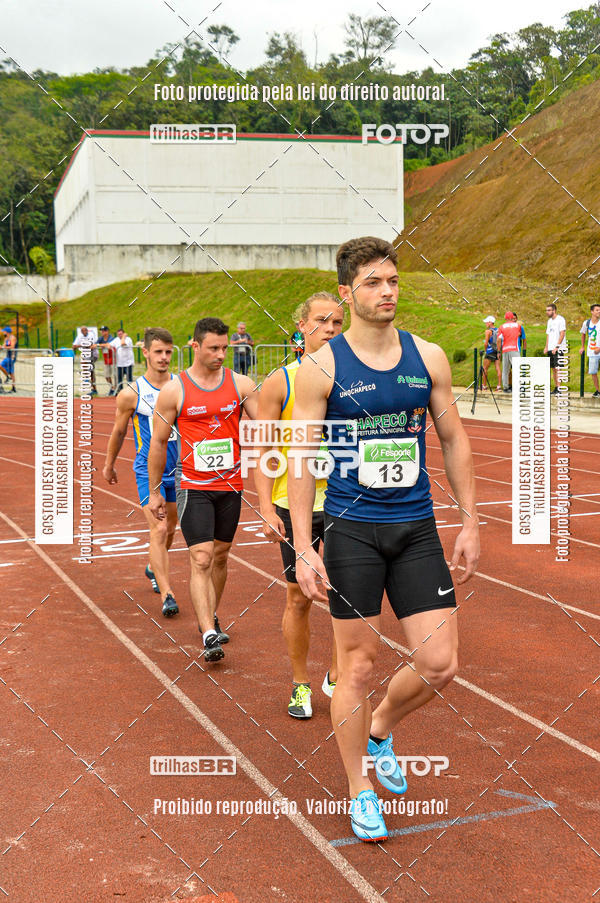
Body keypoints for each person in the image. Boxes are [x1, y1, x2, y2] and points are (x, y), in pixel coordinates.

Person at [288, 236, 479, 843]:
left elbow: (452, 440)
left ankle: (380, 728)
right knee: (357, 665)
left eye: (392, 280)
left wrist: (471, 519)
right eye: (372, 282)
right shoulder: (323, 368)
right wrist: (302, 545)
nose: (387, 291)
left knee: (440, 662)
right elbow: (301, 459)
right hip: (351, 533)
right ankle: (359, 788)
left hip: (417, 528)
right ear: (348, 292)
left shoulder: (428, 357)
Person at [148, 317, 259, 662]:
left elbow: (269, 426)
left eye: (225, 348)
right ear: (194, 346)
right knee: (201, 556)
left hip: (231, 484)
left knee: (222, 555)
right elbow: (158, 443)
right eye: (213, 348)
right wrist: (154, 491)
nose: (221, 354)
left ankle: (210, 615)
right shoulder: (175, 391)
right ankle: (209, 633)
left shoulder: (241, 385)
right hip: (193, 484)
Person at [255, 292, 344, 718]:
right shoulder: (281, 381)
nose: (330, 329)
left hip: (347, 498)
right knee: (298, 596)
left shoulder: (354, 377)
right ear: (302, 326)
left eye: (338, 323)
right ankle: (300, 684)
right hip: (295, 502)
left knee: (352, 595)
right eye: (322, 321)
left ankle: (337, 672)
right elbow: (263, 447)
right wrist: (266, 507)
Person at [103, 328, 179, 617]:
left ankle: (152, 567)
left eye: (168, 352)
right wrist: (109, 464)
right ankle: (167, 594)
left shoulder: (181, 386)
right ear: (145, 352)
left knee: (171, 529)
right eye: (158, 352)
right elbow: (119, 431)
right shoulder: (131, 394)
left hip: (179, 470)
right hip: (149, 472)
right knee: (158, 529)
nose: (163, 357)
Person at [544, 303, 567, 395]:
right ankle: (556, 387)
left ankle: (559, 388)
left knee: (558, 368)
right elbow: (548, 335)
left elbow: (562, 333)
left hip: (558, 348)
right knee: (553, 368)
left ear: (554, 310)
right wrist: (546, 347)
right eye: (546, 310)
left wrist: (557, 346)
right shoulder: (549, 321)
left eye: (549, 310)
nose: (547, 312)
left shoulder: (560, 319)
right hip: (550, 348)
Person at [496, 311, 521, 392]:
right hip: (515, 349)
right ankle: (519, 387)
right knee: (518, 369)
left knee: (505, 370)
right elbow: (519, 334)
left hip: (505, 349)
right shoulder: (518, 325)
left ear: (505, 318)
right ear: (512, 317)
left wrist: (498, 351)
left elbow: (499, 340)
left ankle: (506, 387)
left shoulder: (502, 327)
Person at [580, 303, 600, 397]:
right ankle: (598, 391)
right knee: (593, 372)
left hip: (598, 350)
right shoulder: (587, 323)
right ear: (592, 311)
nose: (599, 311)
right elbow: (583, 333)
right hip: (592, 352)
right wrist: (582, 346)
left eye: (599, 310)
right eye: (597, 310)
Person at [73, 325, 98, 396]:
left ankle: (86, 377)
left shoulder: (91, 335)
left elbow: (90, 345)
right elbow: (74, 345)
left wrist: (79, 346)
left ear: (87, 330)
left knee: (85, 363)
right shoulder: (79, 336)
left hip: (93, 354)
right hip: (86, 355)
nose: (84, 332)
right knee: (91, 372)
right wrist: (77, 346)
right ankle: (94, 389)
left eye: (85, 330)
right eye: (82, 331)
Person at [481, 316, 500, 390]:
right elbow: (499, 341)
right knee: (498, 368)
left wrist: (485, 350)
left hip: (489, 351)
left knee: (485, 368)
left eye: (487, 322)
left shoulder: (488, 331)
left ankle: (484, 385)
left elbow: (486, 343)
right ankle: (499, 386)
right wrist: (498, 351)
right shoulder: (498, 330)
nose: (485, 323)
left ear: (490, 322)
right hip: (497, 351)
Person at [97, 325, 115, 395]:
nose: (102, 332)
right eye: (101, 330)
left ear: (107, 331)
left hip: (113, 359)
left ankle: (116, 389)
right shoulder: (101, 338)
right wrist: (101, 345)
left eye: (104, 330)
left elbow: (108, 344)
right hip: (106, 360)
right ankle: (112, 387)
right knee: (106, 376)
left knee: (115, 375)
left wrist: (100, 345)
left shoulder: (111, 338)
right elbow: (95, 344)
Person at [0, 326, 17, 393]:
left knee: (11, 372)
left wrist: (4, 347)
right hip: (7, 356)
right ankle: (12, 384)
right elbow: (4, 345)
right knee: (11, 372)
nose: (3, 333)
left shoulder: (13, 338)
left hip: (12, 356)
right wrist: (1, 347)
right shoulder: (6, 338)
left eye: (4, 332)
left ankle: (9, 380)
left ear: (7, 332)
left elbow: (12, 346)